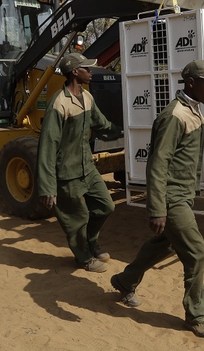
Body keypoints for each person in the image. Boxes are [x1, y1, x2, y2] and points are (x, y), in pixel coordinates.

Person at [110, 59, 204, 341]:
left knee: (164, 245)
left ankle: (125, 281)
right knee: (198, 253)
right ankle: (196, 316)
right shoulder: (173, 115)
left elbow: (194, 136)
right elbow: (157, 164)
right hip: (172, 198)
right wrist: (157, 209)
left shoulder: (192, 110)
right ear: (191, 83)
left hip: (184, 195)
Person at [37, 52, 123, 273]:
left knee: (106, 206)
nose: (91, 72)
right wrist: (47, 187)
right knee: (76, 219)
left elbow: (101, 124)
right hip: (67, 173)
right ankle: (84, 258)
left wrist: (124, 133)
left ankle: (91, 241)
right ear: (75, 71)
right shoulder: (59, 104)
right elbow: (47, 147)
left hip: (87, 167)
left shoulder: (87, 97)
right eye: (87, 68)